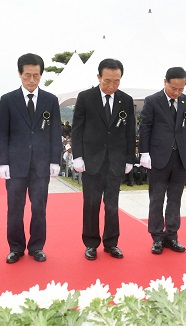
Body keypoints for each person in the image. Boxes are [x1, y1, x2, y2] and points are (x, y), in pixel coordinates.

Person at [0, 53, 62, 263]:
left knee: (39, 208)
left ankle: (36, 246)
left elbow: (54, 132)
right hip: (15, 165)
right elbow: (3, 133)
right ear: (19, 74)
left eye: (36, 75)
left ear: (41, 74)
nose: (32, 80)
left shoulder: (50, 100)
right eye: (27, 75)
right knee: (15, 208)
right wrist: (2, 162)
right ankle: (15, 247)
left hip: (41, 165)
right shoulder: (8, 100)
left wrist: (55, 160)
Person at [72, 58, 136, 261]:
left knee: (112, 205)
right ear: (98, 76)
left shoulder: (125, 100)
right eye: (107, 81)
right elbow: (77, 129)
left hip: (115, 161)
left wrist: (129, 159)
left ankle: (111, 243)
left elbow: (129, 131)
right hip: (92, 160)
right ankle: (91, 243)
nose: (111, 86)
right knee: (91, 204)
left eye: (116, 81)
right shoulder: (85, 98)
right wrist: (78, 156)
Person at [139, 67, 186, 255]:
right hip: (158, 157)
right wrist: (144, 153)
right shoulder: (152, 101)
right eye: (174, 88)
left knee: (175, 199)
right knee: (156, 199)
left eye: (181, 89)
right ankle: (157, 237)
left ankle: (172, 235)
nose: (177, 92)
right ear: (165, 82)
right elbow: (145, 128)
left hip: (180, 157)